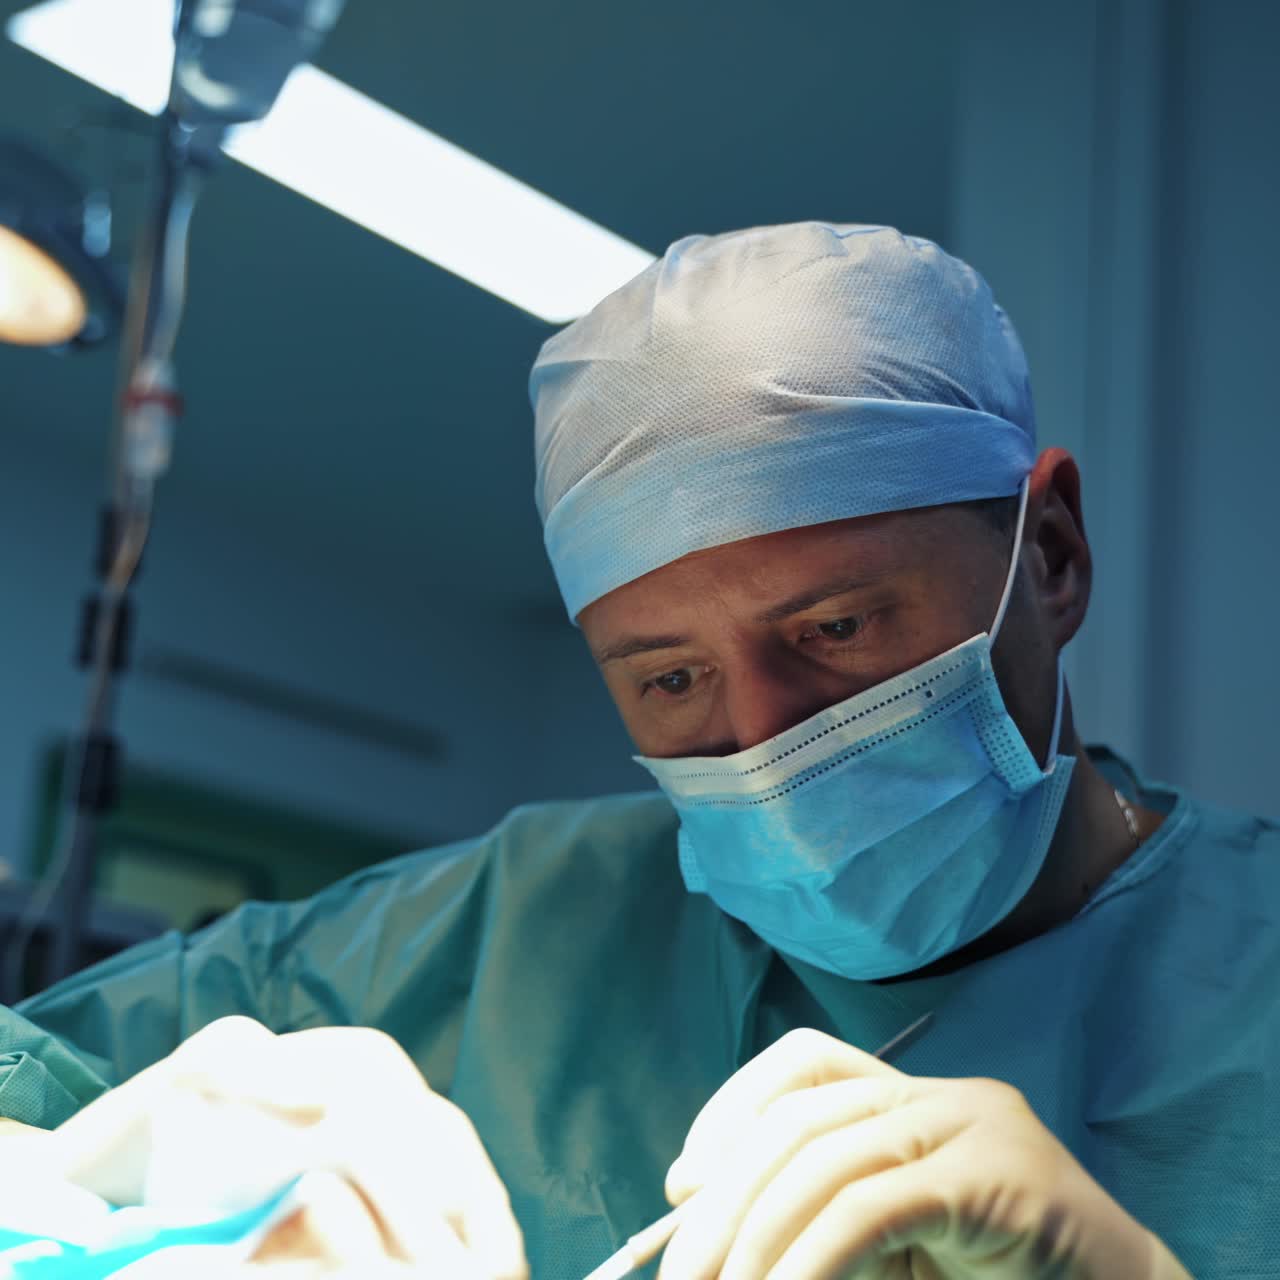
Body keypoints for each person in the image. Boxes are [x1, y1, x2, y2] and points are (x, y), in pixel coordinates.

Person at [2, 223, 1275, 1279]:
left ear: (1046, 555)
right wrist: (78, 1182)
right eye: (670, 676)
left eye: (835, 626)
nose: (765, 739)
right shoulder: (497, 941)